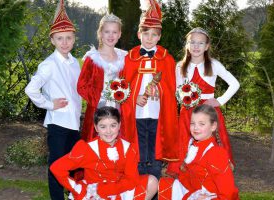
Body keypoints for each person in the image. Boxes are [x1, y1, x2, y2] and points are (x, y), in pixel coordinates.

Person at [24, 0, 81, 199]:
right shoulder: (48, 64)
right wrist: (50, 104)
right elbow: (31, 89)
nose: (64, 42)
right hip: (58, 123)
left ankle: (73, 194)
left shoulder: (75, 63)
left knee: (74, 163)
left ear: (74, 39)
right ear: (52, 41)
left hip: (74, 123)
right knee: (57, 165)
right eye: (59, 38)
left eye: (68, 38)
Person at [167, 27, 240, 176]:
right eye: (192, 42)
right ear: (187, 45)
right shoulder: (180, 66)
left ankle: (211, 175)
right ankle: (186, 177)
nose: (196, 46)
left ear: (207, 46)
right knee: (186, 143)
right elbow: (177, 90)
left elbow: (235, 84)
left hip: (208, 112)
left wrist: (219, 101)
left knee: (210, 143)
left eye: (200, 43)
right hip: (188, 112)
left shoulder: (214, 65)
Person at [120, 0, 179, 180]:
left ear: (159, 37)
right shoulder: (130, 59)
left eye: (154, 35)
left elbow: (171, 88)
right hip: (136, 114)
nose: (149, 38)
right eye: (146, 34)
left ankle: (153, 187)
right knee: (139, 150)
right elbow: (123, 88)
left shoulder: (166, 59)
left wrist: (160, 92)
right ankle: (138, 187)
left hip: (156, 114)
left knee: (154, 152)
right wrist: (133, 97)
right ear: (139, 34)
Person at [50, 106, 158, 200]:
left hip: (119, 189)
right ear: (96, 128)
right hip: (94, 194)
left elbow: (131, 179)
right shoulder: (87, 148)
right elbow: (57, 168)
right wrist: (76, 188)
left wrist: (108, 189)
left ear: (119, 125)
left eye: (113, 125)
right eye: (103, 127)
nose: (109, 131)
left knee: (152, 181)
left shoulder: (128, 148)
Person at [159, 104, 239, 200]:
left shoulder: (216, 153)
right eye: (193, 123)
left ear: (213, 126)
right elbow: (188, 180)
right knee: (165, 184)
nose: (195, 128)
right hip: (196, 194)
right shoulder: (193, 145)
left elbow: (228, 192)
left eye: (201, 124)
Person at [77, 13, 127, 142]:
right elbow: (81, 85)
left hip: (120, 108)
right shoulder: (92, 58)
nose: (111, 35)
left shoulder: (125, 57)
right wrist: (97, 98)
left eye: (114, 32)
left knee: (119, 141)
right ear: (100, 33)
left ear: (120, 34)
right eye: (107, 32)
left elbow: (131, 82)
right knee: (96, 143)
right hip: (97, 108)